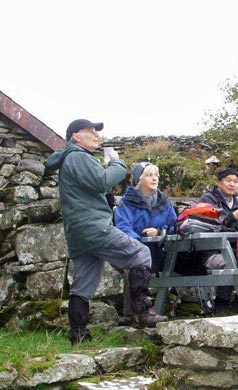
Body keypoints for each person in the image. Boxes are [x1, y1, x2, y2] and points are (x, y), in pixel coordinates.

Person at [45, 119, 167, 344]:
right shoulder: (78, 156)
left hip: (78, 232)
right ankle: (143, 313)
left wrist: (105, 200)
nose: (96, 136)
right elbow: (103, 181)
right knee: (140, 253)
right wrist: (117, 164)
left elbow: (90, 191)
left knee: (83, 283)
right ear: (75, 136)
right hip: (94, 227)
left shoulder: (68, 159)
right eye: (91, 132)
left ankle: (78, 335)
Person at [199, 168, 238, 310]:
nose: (232, 184)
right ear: (219, 183)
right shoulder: (207, 200)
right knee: (231, 263)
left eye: (235, 181)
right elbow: (205, 225)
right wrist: (232, 217)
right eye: (228, 180)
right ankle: (222, 304)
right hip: (211, 251)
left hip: (235, 250)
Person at [115, 162, 178, 271]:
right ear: (139, 179)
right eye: (149, 175)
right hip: (136, 256)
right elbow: (123, 230)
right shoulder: (126, 202)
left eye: (156, 175)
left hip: (163, 254)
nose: (154, 179)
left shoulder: (165, 202)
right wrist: (141, 248)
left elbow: (175, 226)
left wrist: (159, 232)